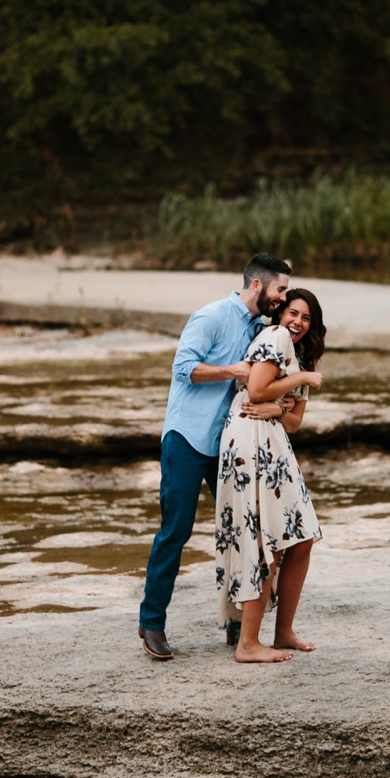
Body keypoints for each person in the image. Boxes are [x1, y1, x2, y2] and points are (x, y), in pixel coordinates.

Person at [138, 253, 292, 661]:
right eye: (280, 289)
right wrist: (234, 371)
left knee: (245, 530)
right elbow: (182, 367)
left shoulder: (263, 329)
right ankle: (151, 623)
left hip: (229, 446)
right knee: (176, 530)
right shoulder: (210, 316)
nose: (283, 297)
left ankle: (238, 624)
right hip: (187, 439)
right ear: (257, 286)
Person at [215, 287, 327, 663]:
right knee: (267, 540)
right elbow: (257, 388)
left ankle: (283, 632)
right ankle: (247, 644)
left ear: (313, 326)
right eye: (292, 312)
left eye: (306, 317)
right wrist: (303, 381)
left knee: (302, 538)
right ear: (281, 315)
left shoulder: (299, 355)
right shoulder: (276, 337)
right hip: (249, 438)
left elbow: (294, 422)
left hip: (275, 439)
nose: (297, 321)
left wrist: (279, 410)